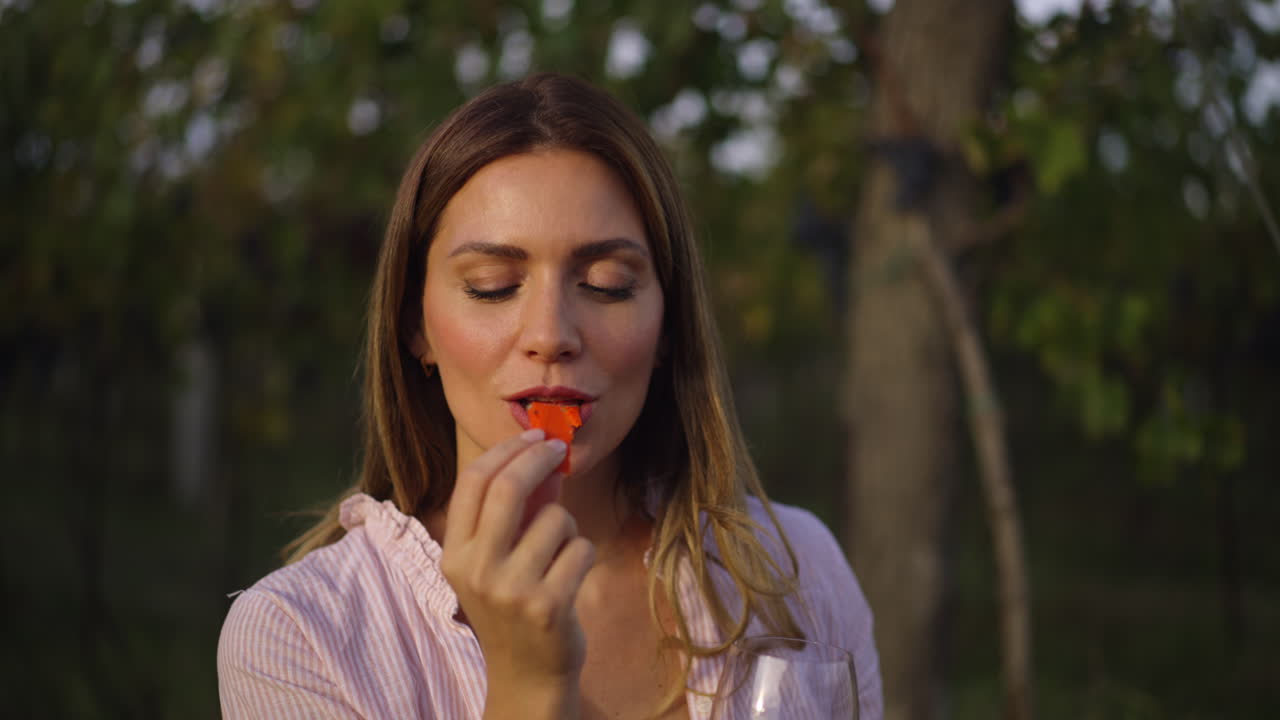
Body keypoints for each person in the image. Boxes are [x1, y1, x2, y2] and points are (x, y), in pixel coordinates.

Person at [217, 72, 882, 719]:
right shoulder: (298, 640)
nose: (550, 336)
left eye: (608, 283)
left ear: (669, 325)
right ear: (414, 326)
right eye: (491, 285)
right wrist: (527, 688)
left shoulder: (799, 570)